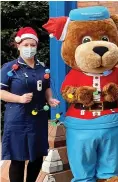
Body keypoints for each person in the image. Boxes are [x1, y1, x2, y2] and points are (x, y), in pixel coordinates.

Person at [0, 27, 60, 182]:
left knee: (37, 157)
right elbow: (1, 92)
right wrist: (19, 99)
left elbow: (46, 86)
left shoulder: (42, 67)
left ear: (36, 46)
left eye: (32, 45)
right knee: (18, 158)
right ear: (18, 45)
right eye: (26, 45)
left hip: (38, 119)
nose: (29, 48)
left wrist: (50, 99)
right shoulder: (10, 68)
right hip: (17, 120)